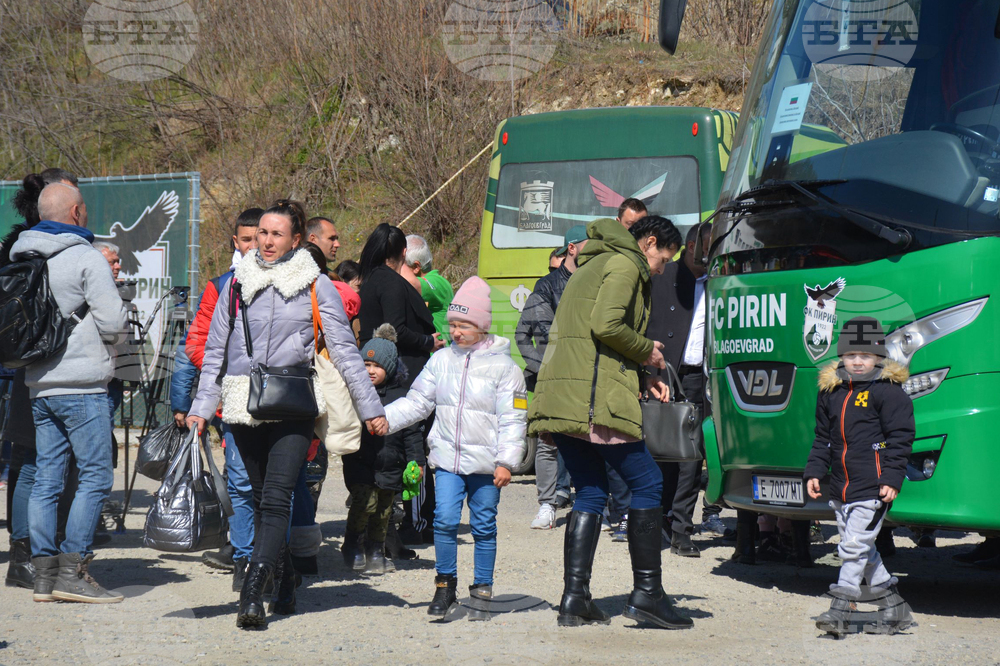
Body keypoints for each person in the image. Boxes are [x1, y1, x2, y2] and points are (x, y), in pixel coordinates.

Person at [186, 200, 387, 629]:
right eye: (262, 233)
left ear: (297, 239)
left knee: (277, 499)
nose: (267, 240)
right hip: (242, 405)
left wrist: (371, 409)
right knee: (259, 501)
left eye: (277, 234)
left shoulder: (316, 284)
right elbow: (215, 353)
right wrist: (202, 408)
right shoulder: (237, 282)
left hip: (295, 404)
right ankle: (287, 578)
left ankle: (253, 591)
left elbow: (346, 352)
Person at [528, 215, 694, 630]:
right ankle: (647, 594)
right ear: (649, 241)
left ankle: (575, 598)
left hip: (567, 396)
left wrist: (644, 376)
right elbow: (607, 326)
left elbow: (591, 342)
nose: (660, 269)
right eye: (662, 259)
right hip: (593, 400)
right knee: (649, 483)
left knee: (589, 489)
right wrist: (649, 353)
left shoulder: (592, 264)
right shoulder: (624, 264)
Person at [11, 183, 128, 604]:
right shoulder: (83, 256)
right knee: (96, 476)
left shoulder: (21, 255)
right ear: (77, 212)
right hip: (82, 384)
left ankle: (42, 576)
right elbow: (113, 324)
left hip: (38, 384)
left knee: (46, 477)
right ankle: (74, 571)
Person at [385, 276, 527, 620]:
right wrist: (383, 419)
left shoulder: (507, 370)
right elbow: (418, 402)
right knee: (445, 522)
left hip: (487, 466)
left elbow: (515, 419)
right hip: (447, 461)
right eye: (452, 325)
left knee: (483, 526)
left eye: (464, 325)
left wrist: (507, 461)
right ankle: (444, 586)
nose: (456, 332)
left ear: (481, 324)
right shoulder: (440, 361)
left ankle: (481, 590)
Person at [805, 316, 914, 635]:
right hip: (841, 488)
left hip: (874, 486)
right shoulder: (830, 392)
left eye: (864, 356)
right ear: (841, 356)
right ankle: (895, 608)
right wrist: (814, 470)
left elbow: (901, 437)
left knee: (852, 547)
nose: (857, 361)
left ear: (878, 357)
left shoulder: (888, 392)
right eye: (850, 355)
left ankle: (840, 608)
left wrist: (892, 478)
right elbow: (822, 437)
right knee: (862, 548)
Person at [2, 169, 80, 591]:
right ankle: (30, 554)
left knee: (29, 463)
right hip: (49, 366)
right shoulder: (53, 251)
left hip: (25, 367)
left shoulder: (16, 249)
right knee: (37, 464)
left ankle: (28, 554)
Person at [185, 208, 261, 584]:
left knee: (285, 483)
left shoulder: (293, 282)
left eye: (258, 238)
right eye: (245, 239)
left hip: (283, 399)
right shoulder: (220, 285)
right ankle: (243, 557)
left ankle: (290, 554)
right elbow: (198, 344)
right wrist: (227, 376)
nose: (253, 246)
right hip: (232, 400)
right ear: (236, 242)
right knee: (241, 479)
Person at [645, 223, 713, 557]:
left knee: (690, 456)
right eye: (704, 250)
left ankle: (682, 529)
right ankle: (658, 522)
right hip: (664, 372)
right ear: (688, 247)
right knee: (662, 454)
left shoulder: (720, 280)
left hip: (699, 378)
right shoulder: (662, 274)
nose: (709, 258)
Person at [516, 225, 587, 530]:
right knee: (547, 442)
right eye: (588, 244)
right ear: (572, 248)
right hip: (551, 380)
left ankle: (590, 504)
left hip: (585, 376)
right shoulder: (546, 286)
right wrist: (543, 367)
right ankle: (547, 506)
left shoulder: (596, 284)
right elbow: (522, 334)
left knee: (591, 440)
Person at [341, 324, 425, 574]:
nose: (370, 371)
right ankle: (352, 545)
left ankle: (376, 550)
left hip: (391, 463)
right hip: (360, 461)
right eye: (366, 366)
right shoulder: (355, 394)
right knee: (364, 504)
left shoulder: (402, 396)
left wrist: (417, 461)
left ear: (389, 368)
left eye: (376, 366)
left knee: (384, 510)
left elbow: (411, 433)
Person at [405, 234, 454, 344]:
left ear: (416, 267)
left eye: (400, 264)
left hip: (437, 356)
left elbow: (413, 284)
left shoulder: (438, 282)